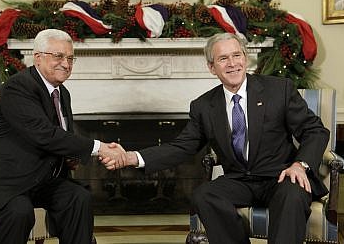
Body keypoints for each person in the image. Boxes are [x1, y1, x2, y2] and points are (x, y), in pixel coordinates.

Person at [102, 33, 330, 244]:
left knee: (293, 194)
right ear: (212, 67)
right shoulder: (204, 106)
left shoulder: (278, 90)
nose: (232, 64)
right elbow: (181, 147)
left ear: (245, 58)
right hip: (240, 180)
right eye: (223, 58)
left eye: (236, 55)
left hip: (280, 175)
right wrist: (132, 157)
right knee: (204, 194)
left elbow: (315, 130)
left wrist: (301, 165)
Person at [0, 29, 125, 244]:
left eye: (70, 58)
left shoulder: (62, 92)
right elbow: (44, 134)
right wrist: (99, 147)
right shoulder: (18, 86)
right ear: (38, 57)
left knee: (78, 198)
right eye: (58, 56)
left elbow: (60, 137)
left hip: (41, 180)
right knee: (20, 211)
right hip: (5, 181)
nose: (66, 64)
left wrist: (69, 157)